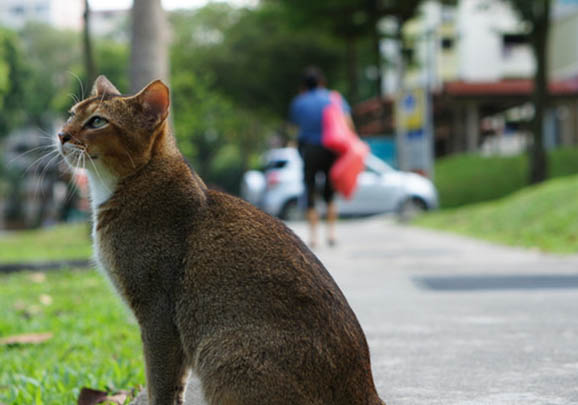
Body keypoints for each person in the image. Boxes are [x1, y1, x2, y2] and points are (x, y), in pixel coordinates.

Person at [289, 66, 355, 248]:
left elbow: (294, 128)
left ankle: (313, 237)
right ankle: (331, 233)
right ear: (321, 82)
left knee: (310, 192)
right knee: (330, 193)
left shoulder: (299, 102)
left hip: (309, 150)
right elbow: (348, 123)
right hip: (331, 148)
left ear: (304, 85)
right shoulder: (333, 98)